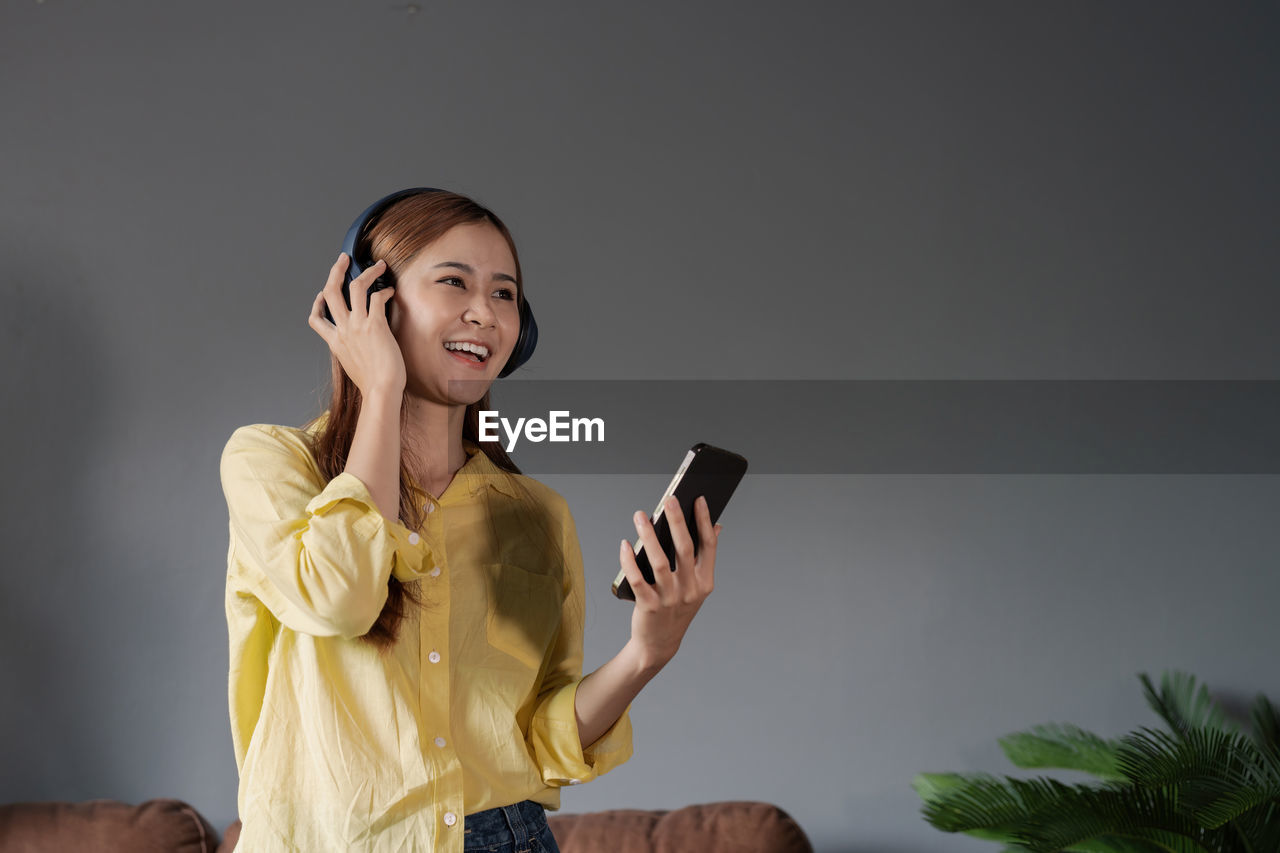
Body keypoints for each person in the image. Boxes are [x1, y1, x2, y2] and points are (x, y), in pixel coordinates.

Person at [219, 188, 721, 852]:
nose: (483, 312)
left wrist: (647, 651)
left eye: (505, 294)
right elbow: (342, 596)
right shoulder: (270, 463)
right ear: (371, 302)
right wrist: (382, 388)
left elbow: (540, 740)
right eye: (454, 281)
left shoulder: (537, 516)